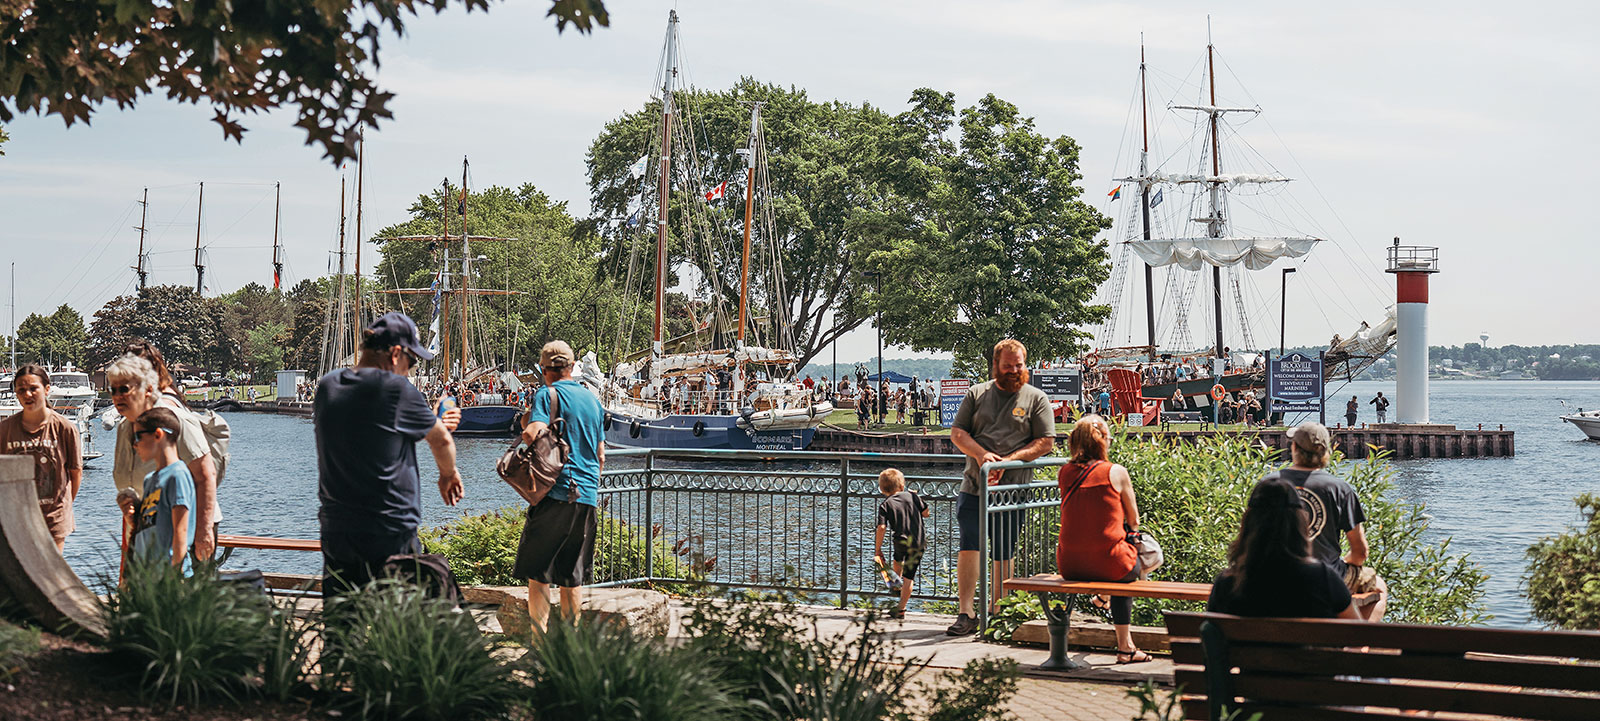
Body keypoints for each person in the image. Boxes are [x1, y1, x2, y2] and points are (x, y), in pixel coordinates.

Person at [315, 312, 463, 602]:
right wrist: (448, 474)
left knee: (343, 628)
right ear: (396, 354)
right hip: (388, 530)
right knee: (399, 630)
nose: (409, 371)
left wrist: (428, 419)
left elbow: (373, 431)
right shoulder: (394, 389)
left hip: (337, 529)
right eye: (412, 362)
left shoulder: (328, 387)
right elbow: (441, 439)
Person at [947, 339, 1055, 636]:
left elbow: (1045, 442)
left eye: (1019, 365)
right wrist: (982, 456)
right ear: (996, 365)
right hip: (973, 487)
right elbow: (958, 433)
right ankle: (966, 612)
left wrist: (1008, 462)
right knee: (969, 546)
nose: (1014, 370)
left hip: (1012, 492)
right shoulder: (977, 394)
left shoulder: (1036, 399)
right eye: (1008, 365)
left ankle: (997, 610)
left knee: (1003, 551)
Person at [514, 340, 606, 635]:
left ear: (544, 369)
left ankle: (539, 644)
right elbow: (601, 454)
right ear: (572, 366)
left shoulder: (547, 393)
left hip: (556, 493)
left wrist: (532, 435)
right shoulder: (592, 400)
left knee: (539, 575)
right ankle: (570, 645)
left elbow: (533, 433)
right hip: (587, 495)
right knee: (572, 577)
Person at [1263, 422, 1389, 620]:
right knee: (1379, 587)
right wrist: (1340, 563)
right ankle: (1359, 644)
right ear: (1326, 452)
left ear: (1294, 448)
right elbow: (1360, 553)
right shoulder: (1339, 489)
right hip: (1327, 578)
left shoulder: (1268, 484)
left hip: (1274, 576)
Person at [1055, 414, 1151, 663]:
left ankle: (1106, 603)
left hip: (1070, 565)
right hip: (1111, 564)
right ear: (1102, 442)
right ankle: (1124, 647)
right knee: (1124, 572)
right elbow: (1134, 521)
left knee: (1115, 567)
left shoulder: (1064, 472)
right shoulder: (1116, 472)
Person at [119, 340, 221, 560]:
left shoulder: (173, 418)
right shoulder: (125, 425)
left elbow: (206, 474)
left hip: (187, 532)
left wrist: (203, 532)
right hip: (147, 533)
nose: (120, 391)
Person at [1207, 478, 1359, 619]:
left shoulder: (1226, 584)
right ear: (1299, 526)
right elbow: (1359, 634)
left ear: (1248, 526)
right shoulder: (1323, 579)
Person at [0, 365, 82, 551]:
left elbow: (75, 473)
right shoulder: (5, 430)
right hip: (16, 519)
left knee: (50, 576)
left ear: (46, 389)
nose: (27, 394)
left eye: (33, 388)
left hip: (53, 518)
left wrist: (62, 507)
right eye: (21, 390)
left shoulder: (65, 428)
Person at [118, 407, 195, 576]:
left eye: (138, 436)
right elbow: (150, 525)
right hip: (146, 578)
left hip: (168, 578)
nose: (134, 444)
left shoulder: (177, 475)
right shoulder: (150, 480)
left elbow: (181, 533)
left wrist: (175, 580)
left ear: (158, 435)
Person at [873, 468, 928, 619]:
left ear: (882, 489)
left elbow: (882, 527)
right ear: (902, 486)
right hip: (917, 543)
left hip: (899, 542)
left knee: (897, 560)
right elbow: (926, 513)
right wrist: (916, 497)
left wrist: (877, 549)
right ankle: (901, 608)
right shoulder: (913, 497)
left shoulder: (885, 504)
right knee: (909, 577)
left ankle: (897, 586)